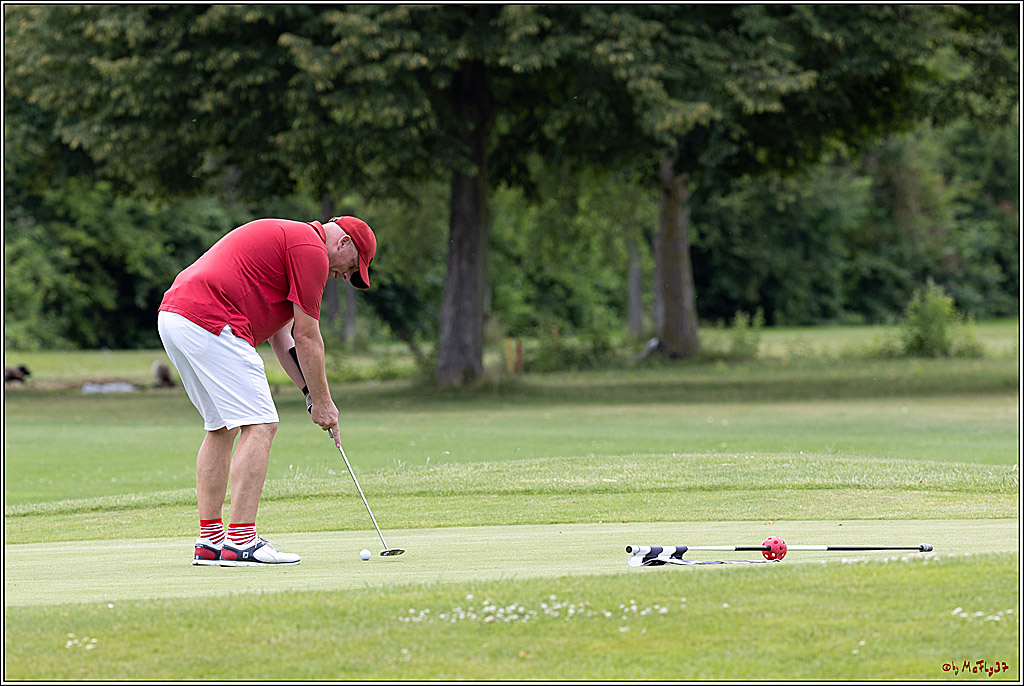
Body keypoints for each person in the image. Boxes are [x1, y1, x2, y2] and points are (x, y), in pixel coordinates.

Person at [157, 216, 376, 566]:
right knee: (261, 424)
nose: (346, 277)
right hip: (213, 318)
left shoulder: (294, 244)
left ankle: (211, 541)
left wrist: (310, 394)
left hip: (177, 316)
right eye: (351, 268)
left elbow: (282, 337)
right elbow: (308, 337)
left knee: (221, 426)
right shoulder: (311, 250)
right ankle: (241, 542)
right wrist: (324, 403)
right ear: (344, 242)